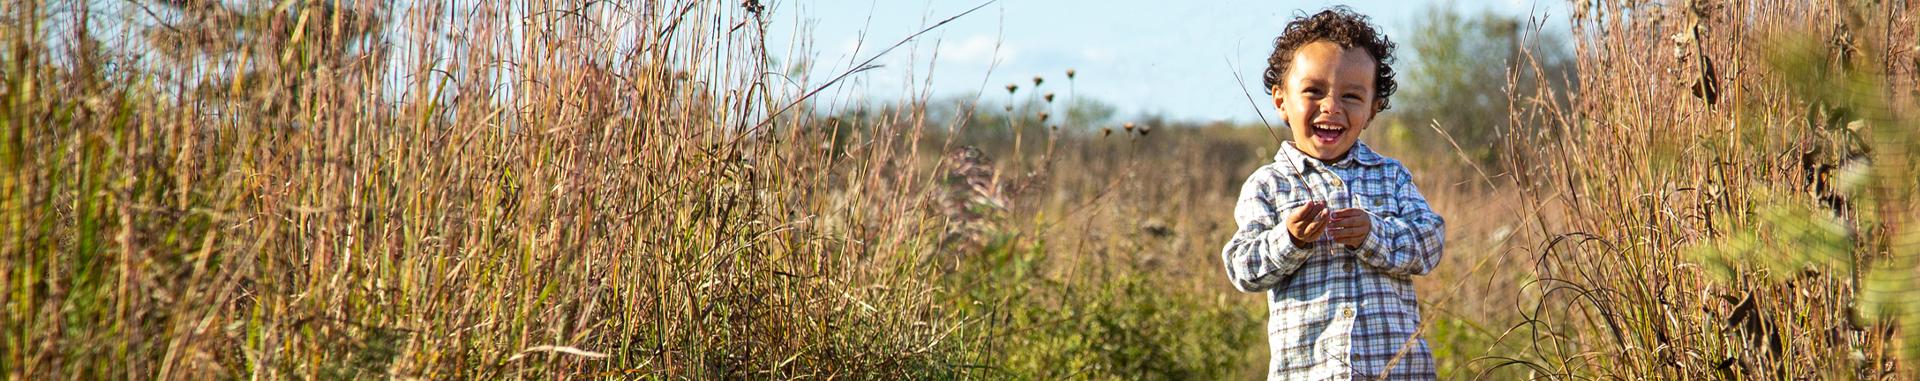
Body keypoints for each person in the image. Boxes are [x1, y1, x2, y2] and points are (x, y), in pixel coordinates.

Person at [1220, 6, 1446, 380]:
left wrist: (1374, 235)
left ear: (1373, 110)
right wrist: (1289, 239)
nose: (1331, 107)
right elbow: (1243, 268)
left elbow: (1430, 243)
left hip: (1399, 372)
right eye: (1313, 91)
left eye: (1352, 97)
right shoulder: (1268, 185)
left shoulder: (1390, 176)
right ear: (1281, 102)